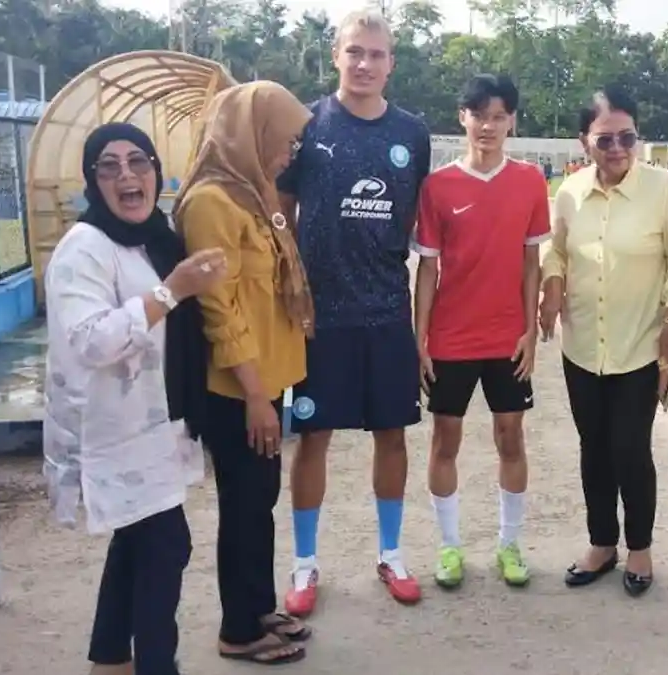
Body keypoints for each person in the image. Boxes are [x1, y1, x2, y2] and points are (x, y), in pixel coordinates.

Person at [43, 122, 226, 675]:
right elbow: (91, 339)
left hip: (154, 426)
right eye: (109, 166)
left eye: (138, 162)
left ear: (154, 173)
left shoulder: (154, 237)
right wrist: (172, 290)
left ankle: (109, 659)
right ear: (92, 181)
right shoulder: (84, 249)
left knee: (138, 543)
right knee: (164, 548)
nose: (127, 174)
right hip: (113, 432)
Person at [277, 9, 432, 615]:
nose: (365, 64)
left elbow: (420, 221)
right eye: (354, 52)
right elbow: (279, 213)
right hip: (321, 321)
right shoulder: (306, 124)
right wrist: (289, 291)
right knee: (313, 438)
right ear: (336, 56)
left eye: (376, 54)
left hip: (387, 313)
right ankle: (305, 565)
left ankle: (391, 553)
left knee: (391, 436)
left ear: (391, 63)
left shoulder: (412, 134)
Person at [176, 81, 316, 665]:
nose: (290, 153)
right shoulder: (211, 202)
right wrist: (257, 396)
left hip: (264, 382)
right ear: (252, 135)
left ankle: (258, 607)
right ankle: (237, 630)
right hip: (236, 389)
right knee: (242, 504)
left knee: (260, 500)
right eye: (285, 141)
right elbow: (219, 309)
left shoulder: (252, 193)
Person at [539, 86, 668, 598]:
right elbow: (557, 252)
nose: (617, 149)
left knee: (631, 448)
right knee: (594, 448)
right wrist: (552, 282)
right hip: (582, 344)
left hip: (639, 346)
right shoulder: (569, 193)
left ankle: (641, 549)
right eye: (605, 139)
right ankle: (602, 543)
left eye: (627, 138)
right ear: (584, 141)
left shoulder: (663, 189)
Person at [412, 74, 550, 589]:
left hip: (506, 336)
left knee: (510, 438)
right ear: (462, 118)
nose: (488, 126)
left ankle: (508, 544)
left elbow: (531, 260)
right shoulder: (438, 186)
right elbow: (427, 269)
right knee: (444, 439)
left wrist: (531, 329)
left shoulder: (530, 181)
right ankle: (450, 549)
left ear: (511, 120)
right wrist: (419, 340)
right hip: (451, 338)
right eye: (479, 115)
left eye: (498, 116)